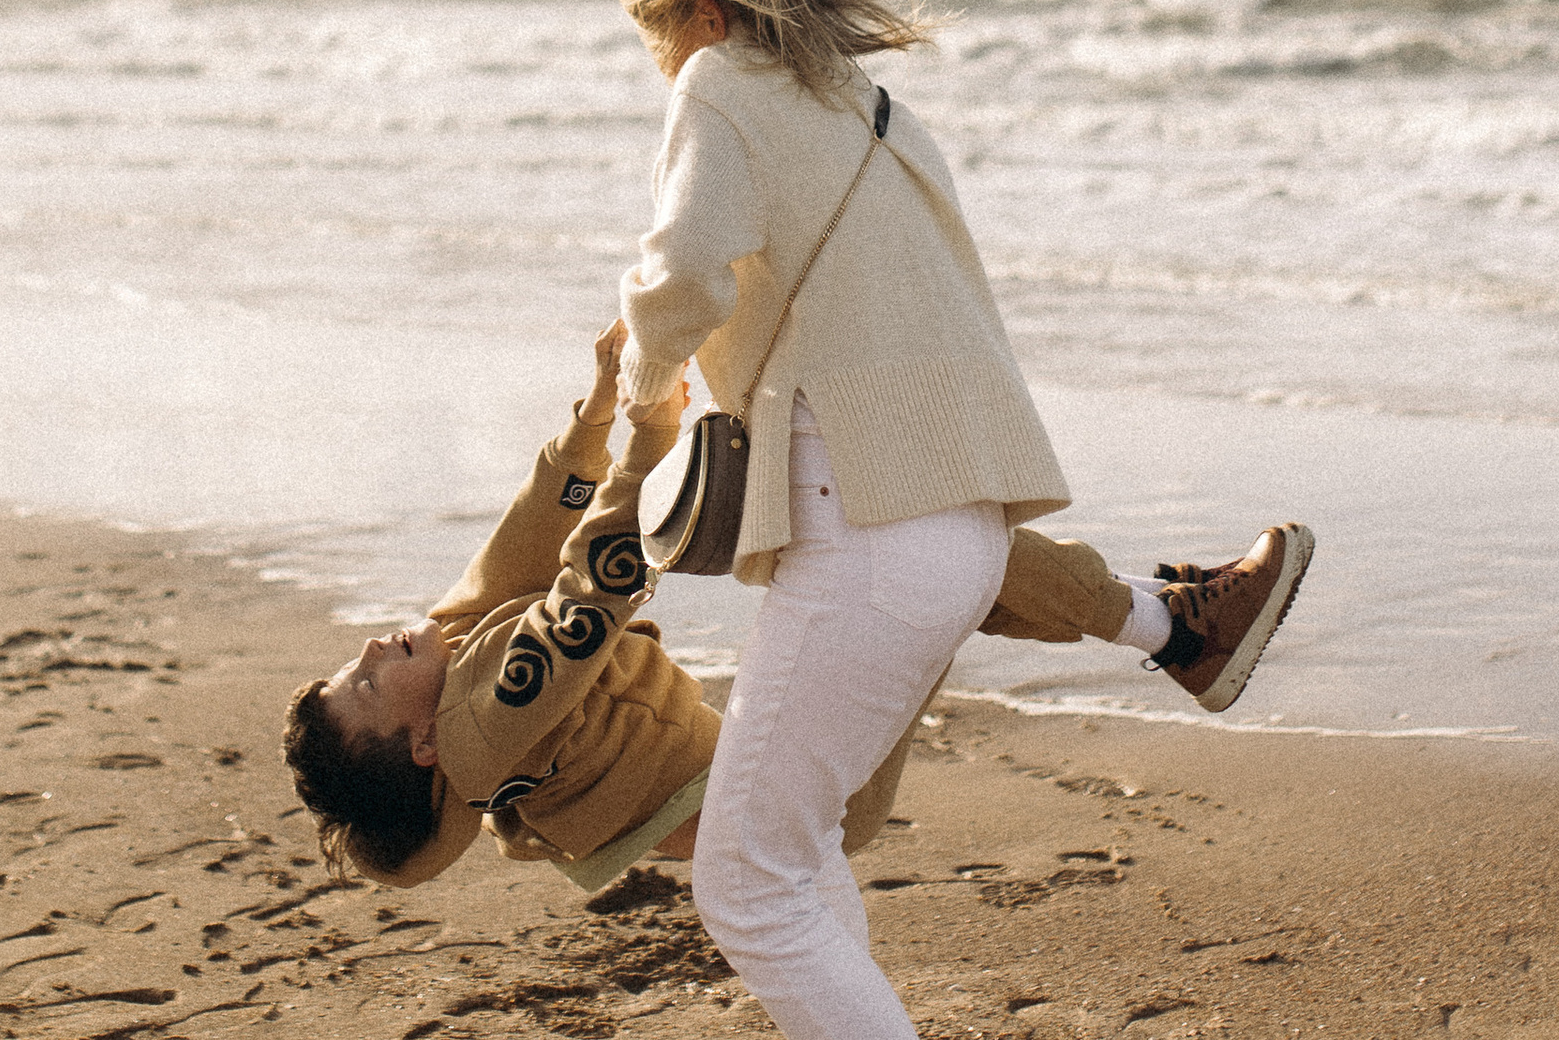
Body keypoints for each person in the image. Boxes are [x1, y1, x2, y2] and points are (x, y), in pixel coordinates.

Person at [614, 0, 1311, 1040]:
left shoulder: (721, 86)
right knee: (792, 848)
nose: (654, 62)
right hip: (940, 528)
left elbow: (679, 273)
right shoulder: (862, 104)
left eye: (656, 30)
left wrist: (636, 427)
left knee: (743, 879)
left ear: (705, 10)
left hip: (863, 539)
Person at [280, 321, 1169, 897]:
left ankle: (1160, 619)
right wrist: (654, 435)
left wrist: (598, 413)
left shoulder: (454, 655)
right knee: (915, 540)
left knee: (934, 557)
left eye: (353, 669)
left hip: (772, 772)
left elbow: (531, 532)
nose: (367, 648)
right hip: (802, 802)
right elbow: (596, 583)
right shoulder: (484, 730)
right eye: (364, 684)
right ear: (423, 744)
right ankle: (1167, 624)